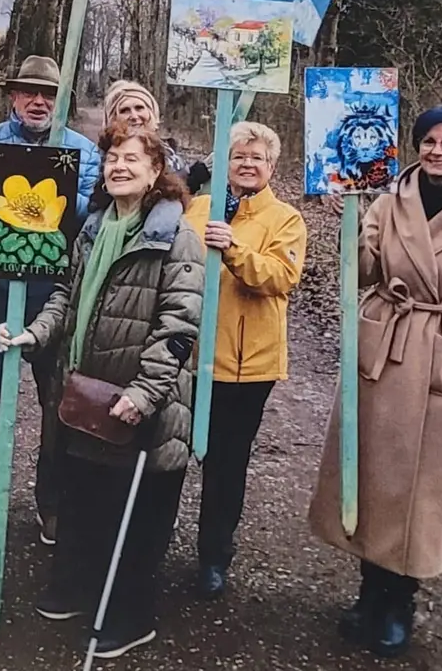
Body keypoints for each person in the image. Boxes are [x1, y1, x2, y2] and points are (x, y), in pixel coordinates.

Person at [308, 106, 442, 658]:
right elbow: (364, 274)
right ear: (415, 145)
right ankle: (368, 593)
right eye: (428, 141)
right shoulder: (384, 196)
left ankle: (400, 602)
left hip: (435, 355)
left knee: (416, 490)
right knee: (371, 478)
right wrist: (350, 228)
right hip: (380, 345)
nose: (437, 151)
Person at [0, 124, 202, 659]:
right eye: (112, 158)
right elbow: (66, 295)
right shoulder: (93, 226)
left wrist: (145, 392)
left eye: (132, 159)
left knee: (134, 517)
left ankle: (132, 617)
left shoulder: (176, 238)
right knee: (86, 499)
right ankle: (79, 589)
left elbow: (180, 327)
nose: (118, 167)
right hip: (87, 395)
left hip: (140, 404)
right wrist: (35, 333)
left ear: (157, 171)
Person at [0, 56, 101, 546]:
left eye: (49, 94)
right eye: (29, 93)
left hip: (56, 292)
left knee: (58, 403)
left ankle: (53, 503)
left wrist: (49, 186)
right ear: (14, 97)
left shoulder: (81, 150)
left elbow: (89, 212)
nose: (39, 102)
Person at [182, 121, 306, 599]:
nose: (248, 165)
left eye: (257, 158)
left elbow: (280, 276)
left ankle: (214, 555)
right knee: (171, 454)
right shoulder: (197, 209)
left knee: (227, 463)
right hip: (189, 357)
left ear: (272, 167)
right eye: (239, 156)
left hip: (245, 364)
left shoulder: (286, 220)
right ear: (225, 163)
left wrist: (232, 247)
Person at [102, 80, 190, 178]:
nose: (134, 116)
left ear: (151, 112)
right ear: (113, 118)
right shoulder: (104, 159)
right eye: (125, 110)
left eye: (139, 108)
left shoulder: (168, 152)